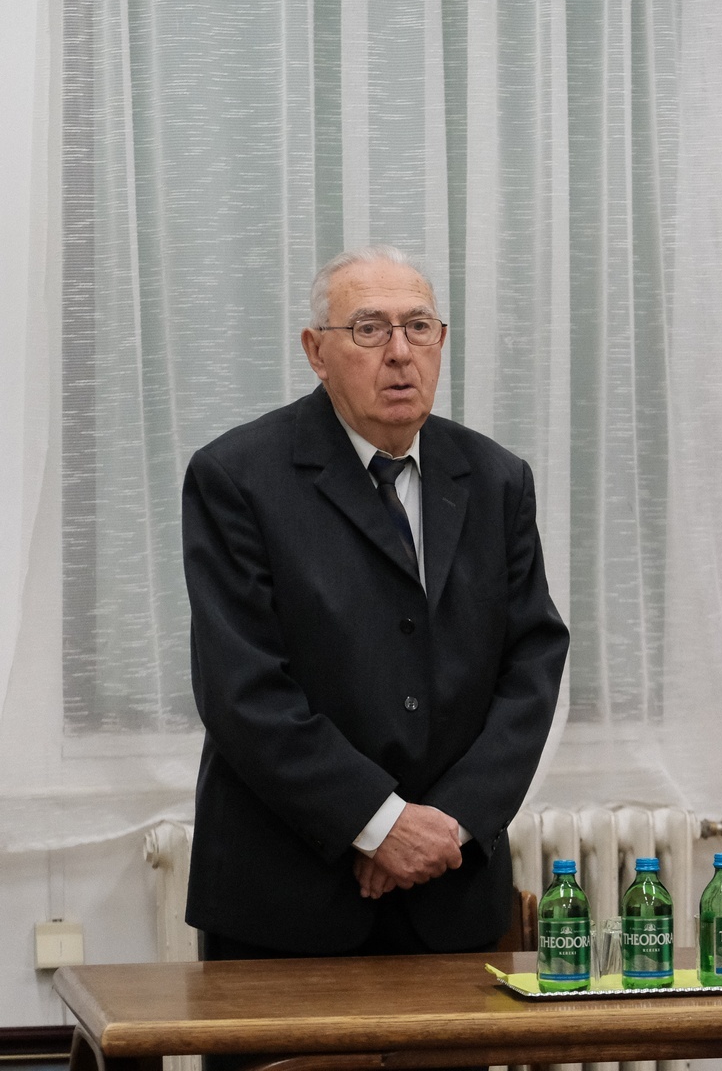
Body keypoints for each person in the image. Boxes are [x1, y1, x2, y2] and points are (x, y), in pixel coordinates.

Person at [182, 245, 569, 962]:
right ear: (316, 352)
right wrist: (379, 822)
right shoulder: (238, 477)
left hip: (452, 893)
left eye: (418, 327)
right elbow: (243, 689)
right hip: (286, 902)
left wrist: (448, 822)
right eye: (369, 329)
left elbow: (533, 664)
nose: (399, 353)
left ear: (440, 342)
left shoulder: (495, 479)